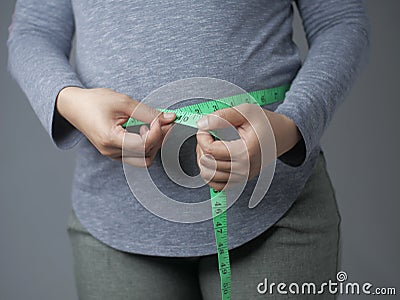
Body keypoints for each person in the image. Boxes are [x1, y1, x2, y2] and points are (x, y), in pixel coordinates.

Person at [7, 0, 369, 299]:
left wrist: (291, 125)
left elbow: (341, 19)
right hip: (115, 218)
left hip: (272, 206)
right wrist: (68, 99)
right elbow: (32, 31)